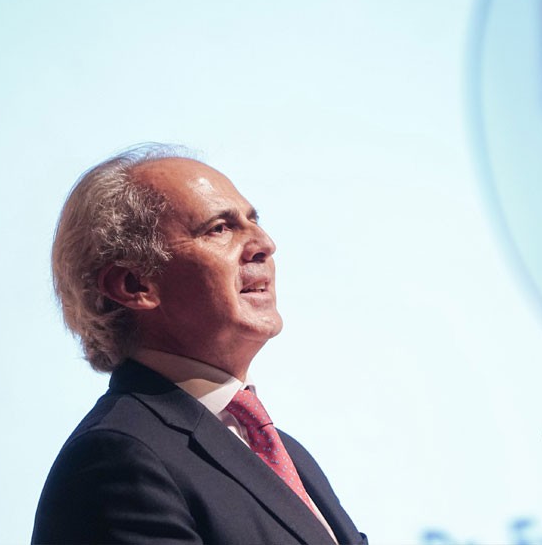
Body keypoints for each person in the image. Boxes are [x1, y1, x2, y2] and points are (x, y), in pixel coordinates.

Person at [32, 144, 367, 543]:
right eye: (220, 228)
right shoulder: (118, 457)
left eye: (254, 221)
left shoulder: (286, 455)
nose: (264, 243)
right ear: (135, 284)